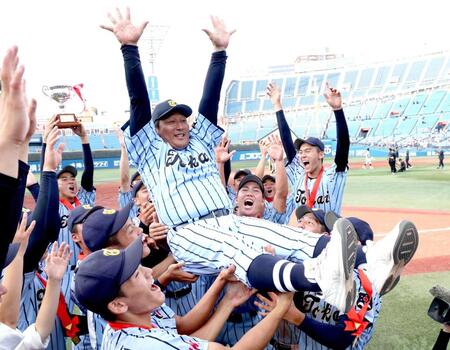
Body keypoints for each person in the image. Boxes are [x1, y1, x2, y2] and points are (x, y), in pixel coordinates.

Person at [103, 8, 359, 314]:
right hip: (188, 231)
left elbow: (208, 102)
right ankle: (323, 280)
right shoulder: (149, 150)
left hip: (226, 219)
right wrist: (130, 49)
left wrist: (219, 52)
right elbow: (139, 104)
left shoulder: (197, 138)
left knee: (285, 234)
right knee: (237, 252)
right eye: (170, 122)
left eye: (183, 119)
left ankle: (367, 265)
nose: (180, 125)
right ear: (156, 129)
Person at [74, 238, 295, 350]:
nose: (151, 272)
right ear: (119, 305)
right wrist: (282, 308)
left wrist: (228, 301)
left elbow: (184, 340)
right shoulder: (147, 344)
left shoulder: (124, 325)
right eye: (137, 275)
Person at [267, 83, 350, 215]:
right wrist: (277, 104)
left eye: (307, 151)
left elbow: (344, 144)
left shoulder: (333, 175)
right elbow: (287, 139)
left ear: (321, 154)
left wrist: (338, 109)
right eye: (300, 152)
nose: (302, 155)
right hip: (304, 233)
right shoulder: (298, 174)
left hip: (328, 233)